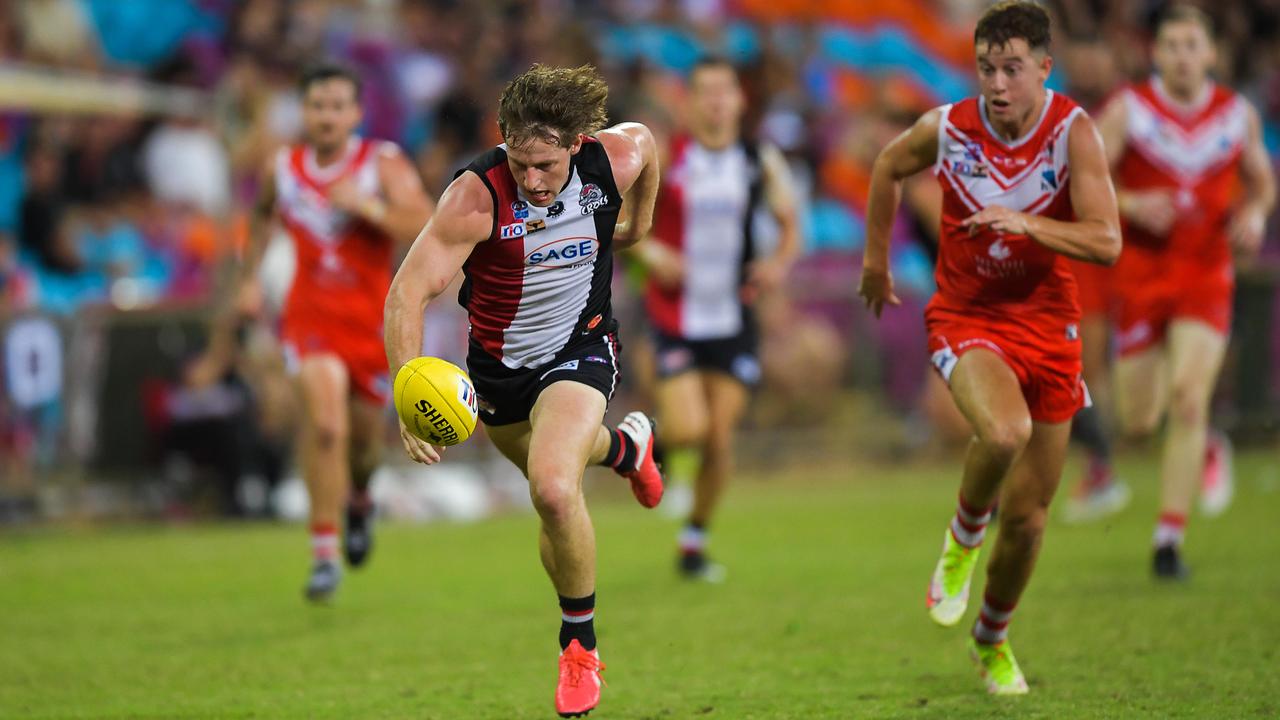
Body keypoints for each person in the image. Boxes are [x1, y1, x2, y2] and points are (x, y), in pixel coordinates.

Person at [383, 64, 664, 718]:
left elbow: (647, 144)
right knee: (553, 497)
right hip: (499, 374)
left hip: (582, 345)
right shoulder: (475, 198)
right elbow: (407, 293)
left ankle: (580, 647)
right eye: (518, 161)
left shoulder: (612, 159)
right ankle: (625, 451)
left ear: (575, 144)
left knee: (553, 488)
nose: (530, 180)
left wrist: (640, 226)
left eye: (544, 165)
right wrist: (408, 389)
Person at [858, 1, 1120, 695]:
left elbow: (1106, 240)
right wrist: (876, 264)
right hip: (967, 313)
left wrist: (1029, 225)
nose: (997, 84)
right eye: (985, 69)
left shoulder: (1074, 134)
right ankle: (962, 537)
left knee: (1031, 521)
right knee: (1004, 433)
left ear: (1044, 69)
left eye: (1011, 69)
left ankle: (993, 637)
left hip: (1049, 322)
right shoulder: (949, 128)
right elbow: (886, 166)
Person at [236, 63, 434, 601]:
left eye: (336, 106)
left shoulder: (380, 163)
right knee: (324, 426)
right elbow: (258, 216)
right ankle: (323, 553)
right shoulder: (285, 166)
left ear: (355, 113)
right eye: (316, 106)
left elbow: (423, 221)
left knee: (364, 448)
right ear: (304, 112)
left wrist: (365, 205)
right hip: (309, 318)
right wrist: (250, 279)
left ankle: (361, 500)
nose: (325, 116)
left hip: (369, 324)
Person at [1096, 4, 1275, 578]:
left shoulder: (1235, 114)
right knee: (1139, 422)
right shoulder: (1129, 110)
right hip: (1142, 273)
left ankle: (1168, 540)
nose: (1181, 55)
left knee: (1190, 397)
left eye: (1191, 45)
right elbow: (1083, 176)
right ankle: (1209, 447)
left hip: (1205, 271)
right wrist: (1128, 203)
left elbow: (1261, 181)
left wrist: (1255, 214)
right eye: (1170, 45)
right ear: (1155, 53)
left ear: (1211, 53)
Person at [631, 57, 799, 582]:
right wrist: (653, 254)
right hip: (674, 312)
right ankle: (644, 447)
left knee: (720, 439)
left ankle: (694, 541)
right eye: (705, 91)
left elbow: (790, 222)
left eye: (725, 91)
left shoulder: (757, 159)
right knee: (689, 427)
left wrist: (776, 265)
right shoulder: (666, 156)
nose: (716, 101)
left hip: (733, 316)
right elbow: (625, 223)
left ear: (740, 100)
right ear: (690, 100)